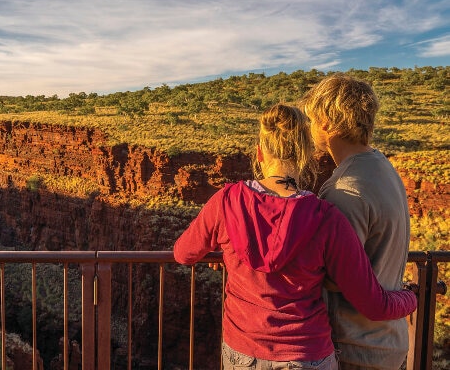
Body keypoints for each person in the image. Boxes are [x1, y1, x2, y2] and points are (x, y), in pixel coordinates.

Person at [173, 103, 416, 370]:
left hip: (242, 353)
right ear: (307, 155)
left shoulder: (227, 201)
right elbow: (374, 305)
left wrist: (225, 251)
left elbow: (183, 254)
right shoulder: (326, 218)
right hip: (306, 355)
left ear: (259, 154)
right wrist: (411, 297)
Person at [302, 75, 411, 369]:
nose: (310, 127)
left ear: (326, 121)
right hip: (389, 340)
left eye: (312, 119)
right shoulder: (381, 165)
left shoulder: (345, 190)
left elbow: (339, 277)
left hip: (356, 348)